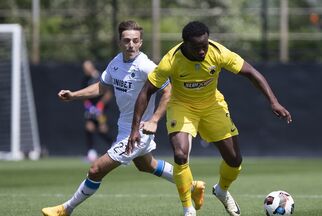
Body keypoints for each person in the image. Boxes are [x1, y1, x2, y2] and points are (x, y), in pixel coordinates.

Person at [128, 21, 292, 216]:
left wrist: (273, 102)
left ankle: (221, 190)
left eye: (204, 46)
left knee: (234, 160)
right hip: (182, 107)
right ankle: (188, 209)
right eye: (197, 47)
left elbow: (251, 73)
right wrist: (134, 129)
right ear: (185, 44)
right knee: (180, 155)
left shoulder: (218, 52)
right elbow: (146, 91)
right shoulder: (171, 60)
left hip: (212, 106)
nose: (202, 51)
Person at [42, 20, 205, 216]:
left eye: (135, 41)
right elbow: (101, 87)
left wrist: (153, 120)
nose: (131, 45)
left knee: (95, 170)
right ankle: (193, 186)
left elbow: (169, 91)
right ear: (120, 41)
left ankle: (66, 209)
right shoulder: (115, 63)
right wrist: (74, 95)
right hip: (124, 127)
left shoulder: (147, 66)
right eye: (127, 40)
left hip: (139, 131)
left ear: (141, 42)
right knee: (147, 165)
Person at [81, 60, 113, 162]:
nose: (85, 71)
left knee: (102, 129)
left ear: (91, 67)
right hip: (91, 110)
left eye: (86, 68)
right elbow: (84, 95)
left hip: (101, 110)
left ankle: (114, 145)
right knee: (89, 127)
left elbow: (108, 94)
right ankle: (91, 152)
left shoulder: (100, 77)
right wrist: (89, 106)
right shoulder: (85, 80)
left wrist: (100, 105)